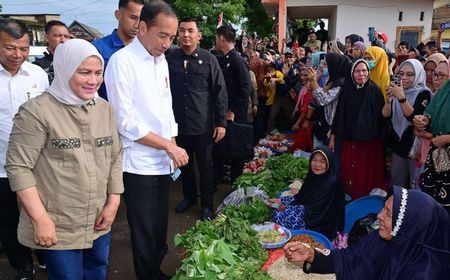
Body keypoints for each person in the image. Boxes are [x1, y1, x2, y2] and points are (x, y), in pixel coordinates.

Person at [6, 38, 123, 280]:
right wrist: (41, 219)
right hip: (59, 221)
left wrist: (113, 203)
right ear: (65, 69)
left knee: (97, 269)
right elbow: (19, 168)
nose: (93, 80)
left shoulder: (105, 109)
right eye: (84, 73)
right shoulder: (36, 112)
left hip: (98, 218)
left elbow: (114, 156)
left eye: (98, 73)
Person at [104, 2, 189, 279]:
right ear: (142, 27)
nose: (167, 43)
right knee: (142, 229)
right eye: (162, 35)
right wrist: (168, 145)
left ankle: (156, 270)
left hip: (162, 159)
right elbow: (125, 121)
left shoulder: (160, 61)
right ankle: (148, 275)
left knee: (158, 226)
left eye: (171, 37)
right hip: (138, 162)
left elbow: (167, 108)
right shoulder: (122, 62)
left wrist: (172, 143)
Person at [284, 186, 450, 279]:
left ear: (410, 227)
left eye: (388, 213)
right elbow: (348, 259)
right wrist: (312, 254)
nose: (379, 216)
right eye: (383, 209)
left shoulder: (425, 274)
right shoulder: (381, 242)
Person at [0, 19, 49, 280]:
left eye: (23, 48)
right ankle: (22, 264)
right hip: (0, 165)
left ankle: (43, 256)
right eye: (10, 48)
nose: (17, 54)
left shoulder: (38, 75)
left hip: (35, 164)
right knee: (7, 220)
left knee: (37, 212)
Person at [167, 17, 227, 220]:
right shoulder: (169, 58)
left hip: (203, 126)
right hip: (178, 125)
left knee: (206, 167)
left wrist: (221, 122)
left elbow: (220, 92)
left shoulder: (209, 60)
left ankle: (207, 205)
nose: (186, 35)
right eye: (182, 30)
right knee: (184, 164)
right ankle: (189, 197)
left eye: (191, 31)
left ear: (199, 36)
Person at [332, 59, 386, 199]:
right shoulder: (347, 89)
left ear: (368, 72)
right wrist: (333, 136)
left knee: (364, 173)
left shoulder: (375, 91)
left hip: (368, 143)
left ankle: (362, 199)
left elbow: (382, 119)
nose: (361, 74)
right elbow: (340, 114)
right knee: (348, 171)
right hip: (349, 140)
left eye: (364, 71)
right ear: (352, 73)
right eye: (357, 71)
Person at [271, 146, 345, 239]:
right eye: (314, 160)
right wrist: (282, 202)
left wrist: (286, 208)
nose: (317, 164)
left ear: (329, 163)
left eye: (322, 161)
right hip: (310, 208)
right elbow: (301, 197)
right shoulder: (313, 175)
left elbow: (315, 208)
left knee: (279, 215)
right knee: (281, 201)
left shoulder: (331, 181)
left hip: (321, 221)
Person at [383, 59, 431, 189]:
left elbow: (414, 118)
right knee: (397, 185)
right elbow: (385, 115)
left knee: (414, 186)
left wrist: (402, 98)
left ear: (418, 75)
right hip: (398, 145)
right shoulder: (398, 90)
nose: (404, 78)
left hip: (414, 148)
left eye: (410, 74)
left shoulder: (424, 93)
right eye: (401, 74)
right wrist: (388, 101)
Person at [214, 24, 252, 182]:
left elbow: (245, 89)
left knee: (236, 148)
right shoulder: (224, 59)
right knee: (223, 148)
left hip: (235, 115)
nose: (215, 41)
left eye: (216, 38)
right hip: (224, 112)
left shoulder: (237, 60)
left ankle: (236, 180)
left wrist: (233, 110)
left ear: (222, 38)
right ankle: (222, 176)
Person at [92, 0, 144, 100]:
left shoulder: (145, 51)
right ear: (118, 15)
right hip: (106, 112)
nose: (137, 24)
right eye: (133, 18)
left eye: (141, 19)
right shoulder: (97, 48)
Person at [309, 53, 351, 173]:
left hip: (335, 129)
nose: (325, 66)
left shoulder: (341, 83)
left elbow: (324, 99)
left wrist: (313, 82)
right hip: (328, 126)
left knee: (332, 161)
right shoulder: (334, 79)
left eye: (327, 64)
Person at [414, 80, 450, 217]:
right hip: (438, 154)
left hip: (444, 149)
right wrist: (423, 119)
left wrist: (447, 139)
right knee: (433, 201)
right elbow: (432, 111)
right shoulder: (447, 86)